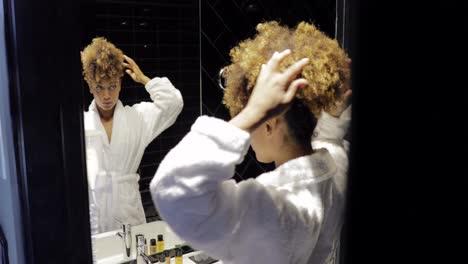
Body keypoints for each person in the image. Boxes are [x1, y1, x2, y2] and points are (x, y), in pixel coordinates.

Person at [150, 21, 351, 263]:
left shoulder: (273, 210)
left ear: (268, 123)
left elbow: (174, 190)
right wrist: (333, 111)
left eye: (255, 120)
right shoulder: (335, 172)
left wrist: (252, 112)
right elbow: (330, 139)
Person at [81, 37, 184, 233]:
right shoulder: (82, 123)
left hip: (128, 212)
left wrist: (144, 79)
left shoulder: (136, 118)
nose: (106, 96)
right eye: (99, 88)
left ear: (120, 84)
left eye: (112, 86)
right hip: (96, 214)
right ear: (90, 87)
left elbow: (173, 104)